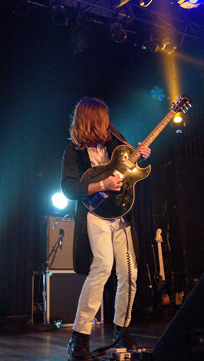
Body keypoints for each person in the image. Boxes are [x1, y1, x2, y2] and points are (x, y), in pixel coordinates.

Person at [61, 98, 151, 361]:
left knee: (130, 273)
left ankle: (122, 330)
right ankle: (78, 338)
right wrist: (103, 185)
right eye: (103, 117)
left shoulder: (115, 139)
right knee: (102, 267)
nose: (108, 121)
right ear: (92, 120)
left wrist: (142, 154)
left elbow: (131, 167)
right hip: (94, 215)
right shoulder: (74, 152)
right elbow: (69, 189)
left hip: (121, 215)